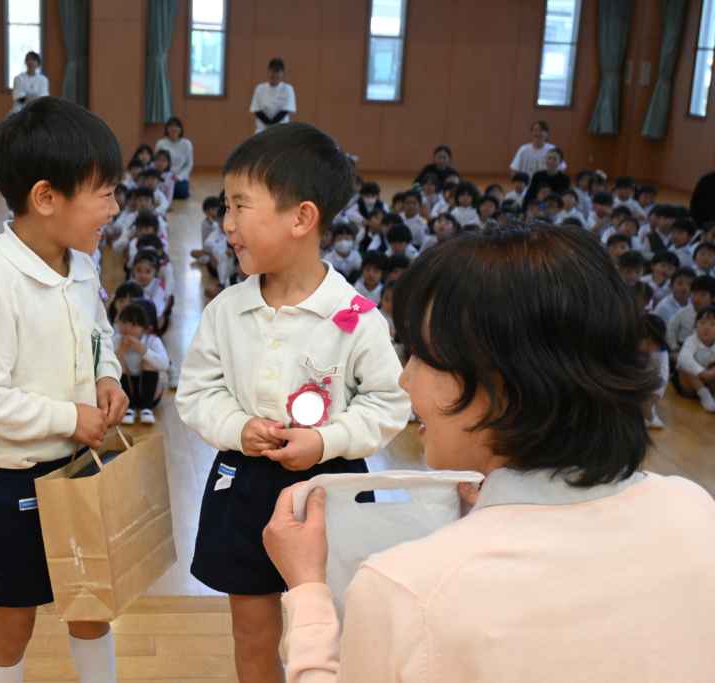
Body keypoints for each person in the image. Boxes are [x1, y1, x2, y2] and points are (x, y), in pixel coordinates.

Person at [264, 220, 715, 683]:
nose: (404, 378)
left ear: (502, 386)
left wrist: (308, 589)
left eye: (421, 357)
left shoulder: (406, 589)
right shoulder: (695, 512)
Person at [175, 122, 411, 683]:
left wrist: (326, 440)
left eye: (240, 206)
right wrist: (237, 426)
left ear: (301, 218)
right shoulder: (226, 310)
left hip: (331, 490)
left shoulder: (356, 316)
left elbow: (387, 403)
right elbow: (198, 391)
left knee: (334, 628)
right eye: (225, 207)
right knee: (253, 634)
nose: (226, 223)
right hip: (244, 484)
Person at [0, 96, 129, 683]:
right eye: (104, 193)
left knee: (93, 609)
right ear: (46, 197)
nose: (114, 207)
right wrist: (68, 417)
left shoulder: (82, 264)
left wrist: (107, 375)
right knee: (11, 624)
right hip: (9, 486)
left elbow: (99, 335)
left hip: (78, 470)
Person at [114, 300, 169, 426]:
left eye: (134, 325)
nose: (127, 328)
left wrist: (143, 350)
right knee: (117, 360)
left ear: (146, 329)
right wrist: (122, 350)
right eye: (124, 322)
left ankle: (146, 408)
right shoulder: (116, 340)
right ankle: (128, 408)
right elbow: (104, 364)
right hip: (124, 391)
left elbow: (164, 364)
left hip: (150, 391)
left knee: (149, 361)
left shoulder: (152, 340)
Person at [676, 305, 715, 412]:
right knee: (685, 367)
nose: (706, 328)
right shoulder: (692, 340)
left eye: (713, 324)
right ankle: (704, 395)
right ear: (695, 326)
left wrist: (710, 374)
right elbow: (684, 359)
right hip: (689, 384)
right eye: (702, 323)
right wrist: (701, 372)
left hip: (709, 381)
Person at [249, 58, 297, 134]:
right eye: (272, 71)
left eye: (277, 71)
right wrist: (269, 124)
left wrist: (273, 125)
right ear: (268, 71)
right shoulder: (260, 89)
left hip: (281, 131)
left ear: (282, 72)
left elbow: (285, 110)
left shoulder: (287, 89)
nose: (274, 74)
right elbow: (257, 109)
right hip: (262, 130)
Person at [522, 147, 571, 214]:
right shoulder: (538, 176)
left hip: (555, 211)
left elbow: (563, 200)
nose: (551, 161)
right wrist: (523, 211)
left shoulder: (565, 179)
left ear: (560, 161)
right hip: (538, 208)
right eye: (549, 158)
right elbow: (530, 194)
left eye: (555, 159)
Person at [155, 116, 193, 199]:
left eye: (177, 126)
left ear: (181, 129)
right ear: (167, 128)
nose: (174, 128)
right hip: (164, 175)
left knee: (181, 193)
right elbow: (156, 162)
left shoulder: (186, 144)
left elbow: (188, 164)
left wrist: (178, 178)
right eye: (171, 126)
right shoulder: (161, 143)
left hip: (178, 177)